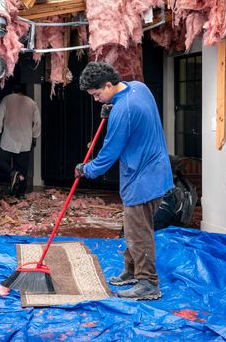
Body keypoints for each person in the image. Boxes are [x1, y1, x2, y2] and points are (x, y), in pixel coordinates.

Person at [75, 62, 173, 300]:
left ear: (108, 84)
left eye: (98, 94)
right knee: (134, 228)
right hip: (155, 171)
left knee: (139, 231)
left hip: (143, 179)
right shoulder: (138, 87)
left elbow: (109, 153)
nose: (97, 100)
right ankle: (131, 270)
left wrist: (86, 170)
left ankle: (148, 283)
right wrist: (113, 104)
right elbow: (131, 111)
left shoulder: (123, 111)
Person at [0, 83, 41, 197]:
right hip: (25, 140)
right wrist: (34, 136)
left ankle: (12, 172)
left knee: (1, 161)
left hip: (8, 139)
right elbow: (37, 122)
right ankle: (20, 194)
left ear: (13, 90)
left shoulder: (7, 99)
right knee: (23, 169)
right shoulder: (32, 103)